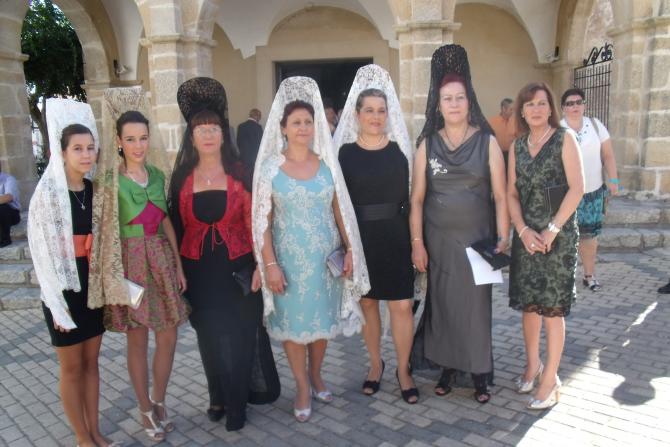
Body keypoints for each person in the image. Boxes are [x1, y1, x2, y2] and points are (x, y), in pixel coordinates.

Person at [252, 77, 369, 423]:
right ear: (283, 128)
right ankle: (302, 386)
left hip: (324, 262)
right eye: (296, 122)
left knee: (321, 324)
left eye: (307, 121)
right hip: (287, 262)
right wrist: (270, 265)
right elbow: (262, 222)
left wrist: (351, 249)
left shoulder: (327, 165)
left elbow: (340, 211)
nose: (303, 127)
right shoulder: (270, 169)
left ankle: (316, 375)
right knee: (293, 326)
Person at [169, 77, 280, 431]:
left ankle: (237, 405)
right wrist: (177, 270)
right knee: (209, 337)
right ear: (191, 137)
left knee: (241, 335)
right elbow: (175, 226)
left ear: (223, 133)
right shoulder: (182, 178)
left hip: (239, 268)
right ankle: (216, 396)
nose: (208, 134)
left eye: (213, 128)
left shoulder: (240, 173)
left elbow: (256, 222)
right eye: (200, 129)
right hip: (199, 271)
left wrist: (262, 264)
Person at [410, 44, 509, 404]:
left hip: (478, 242)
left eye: (460, 98)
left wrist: (503, 237)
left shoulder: (487, 142)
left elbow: (501, 196)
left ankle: (480, 373)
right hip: (438, 242)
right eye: (447, 99)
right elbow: (417, 199)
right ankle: (448, 369)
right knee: (444, 307)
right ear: (438, 105)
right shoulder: (427, 145)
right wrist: (417, 243)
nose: (454, 104)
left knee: (475, 309)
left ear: (469, 102)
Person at [89, 87, 190, 441]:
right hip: (129, 262)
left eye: (143, 138)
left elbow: (165, 221)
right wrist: (111, 275)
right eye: (130, 139)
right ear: (118, 141)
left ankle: (159, 400)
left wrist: (178, 265)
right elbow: (104, 230)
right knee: (137, 339)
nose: (138, 145)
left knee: (169, 334)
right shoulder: (108, 180)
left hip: (160, 258)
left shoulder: (158, 176)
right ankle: (145, 408)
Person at [28, 98, 119, 447]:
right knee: (71, 368)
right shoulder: (48, 195)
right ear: (62, 153)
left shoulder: (95, 191)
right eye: (77, 148)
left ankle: (95, 430)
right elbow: (41, 254)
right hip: (63, 292)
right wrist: (56, 304)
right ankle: (82, 437)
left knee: (92, 364)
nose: (85, 154)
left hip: (91, 288)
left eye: (90, 148)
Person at [334, 64, 418, 403]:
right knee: (368, 303)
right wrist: (347, 245)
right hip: (361, 240)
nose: (375, 116)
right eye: (369, 110)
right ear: (357, 114)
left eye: (381, 110)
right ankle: (374, 364)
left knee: (402, 306)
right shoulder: (344, 154)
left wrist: (416, 242)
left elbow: (414, 199)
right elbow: (339, 204)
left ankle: (403, 370)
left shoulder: (401, 151)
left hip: (397, 237)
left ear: (388, 113)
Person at [508, 81, 584, 410]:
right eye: (530, 104)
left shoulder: (564, 139)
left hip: (558, 236)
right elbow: (511, 194)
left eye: (541, 103)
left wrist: (551, 230)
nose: (536, 109)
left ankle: (551, 378)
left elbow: (577, 188)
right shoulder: (517, 146)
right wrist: (523, 230)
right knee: (529, 306)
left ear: (550, 107)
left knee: (551, 309)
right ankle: (533, 365)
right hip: (527, 238)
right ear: (522, 111)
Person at [560, 87, 618, 292]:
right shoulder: (558, 129)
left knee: (590, 238)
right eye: (570, 103)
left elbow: (608, 155)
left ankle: (589, 276)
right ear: (563, 108)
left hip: (593, 192)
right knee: (565, 237)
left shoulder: (596, 125)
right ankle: (564, 278)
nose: (575, 106)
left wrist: (614, 180)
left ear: (584, 105)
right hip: (566, 194)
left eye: (579, 102)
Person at [488, 98, 517, 166]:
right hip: (496, 155)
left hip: (511, 155)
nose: (513, 112)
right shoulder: (492, 122)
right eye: (511, 109)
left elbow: (519, 138)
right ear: (504, 109)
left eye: (513, 109)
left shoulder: (515, 122)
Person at [0, 162, 21, 247]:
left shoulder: (9, 179)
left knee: (2, 207)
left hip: (12, 214)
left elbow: (8, 197)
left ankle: (4, 240)